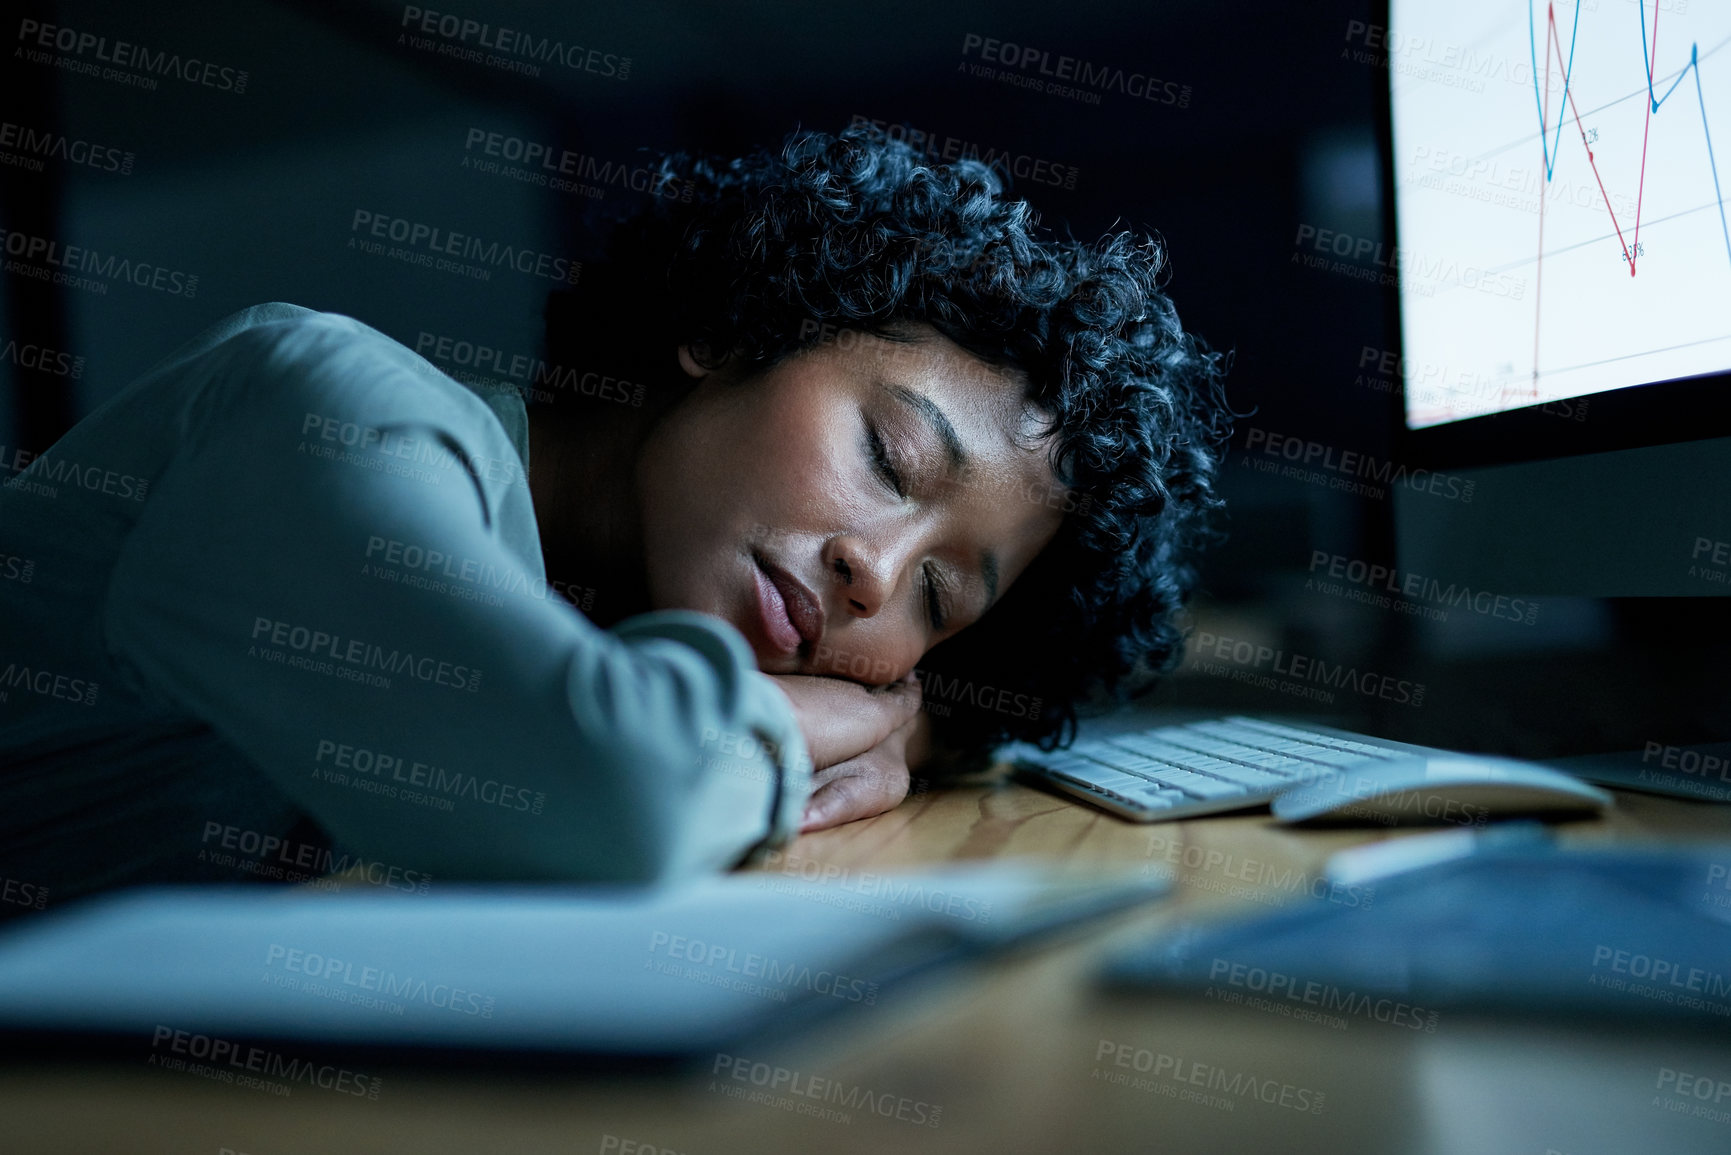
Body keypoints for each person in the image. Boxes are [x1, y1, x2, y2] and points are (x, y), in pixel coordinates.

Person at [0, 125, 1228, 907]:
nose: (875, 570)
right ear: (731, 329)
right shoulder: (318, 411)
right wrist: (811, 727)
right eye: (888, 456)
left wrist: (906, 732)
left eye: (940, 599)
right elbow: (615, 794)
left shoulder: (581, 613)